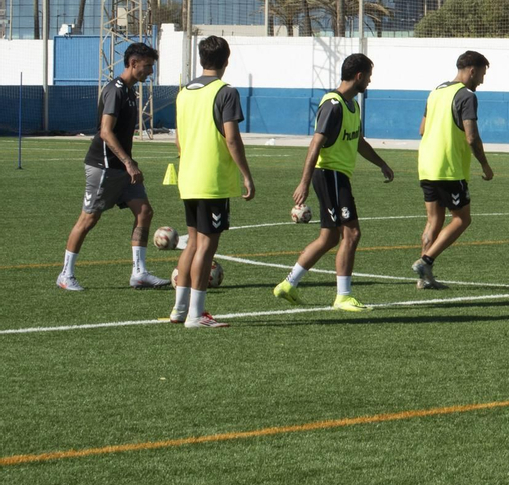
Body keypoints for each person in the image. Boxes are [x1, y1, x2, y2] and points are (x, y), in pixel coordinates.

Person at [273, 53, 395, 312]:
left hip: (337, 176)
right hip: (331, 175)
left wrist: (381, 163)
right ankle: (343, 296)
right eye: (369, 76)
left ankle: (288, 284)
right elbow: (316, 142)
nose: (370, 81)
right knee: (352, 233)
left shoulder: (353, 106)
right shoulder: (334, 104)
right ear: (359, 76)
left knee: (329, 237)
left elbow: (358, 142)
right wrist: (303, 183)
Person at [57, 41, 167, 292]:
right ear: (133, 64)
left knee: (144, 212)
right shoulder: (115, 91)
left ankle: (139, 273)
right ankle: (65, 275)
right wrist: (128, 162)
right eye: (148, 66)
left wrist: (129, 162)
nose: (150, 72)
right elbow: (105, 132)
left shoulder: (130, 92)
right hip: (104, 167)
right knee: (89, 218)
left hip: (123, 167)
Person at [172, 35, 255, 329]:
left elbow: (179, 140)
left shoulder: (184, 93)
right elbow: (231, 137)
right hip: (212, 180)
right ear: (226, 60)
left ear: (200, 58)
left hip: (188, 177)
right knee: (207, 246)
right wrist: (246, 174)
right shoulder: (225, 92)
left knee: (192, 243)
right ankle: (196, 314)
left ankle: (179, 309)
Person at [413, 51, 494, 290]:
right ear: (472, 70)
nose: (481, 80)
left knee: (434, 220)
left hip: (426, 164)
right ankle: (425, 261)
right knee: (462, 219)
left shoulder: (437, 91)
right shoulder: (466, 96)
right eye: (481, 74)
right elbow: (471, 137)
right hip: (449, 168)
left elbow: (422, 129)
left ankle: (424, 280)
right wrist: (485, 165)